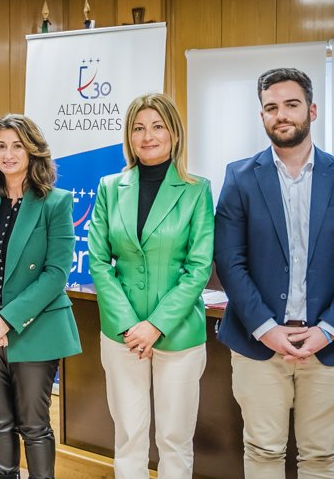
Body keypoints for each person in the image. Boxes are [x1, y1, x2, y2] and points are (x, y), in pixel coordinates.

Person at [214, 67, 334, 479]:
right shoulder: (239, 176)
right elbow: (229, 262)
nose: (281, 114)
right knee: (263, 450)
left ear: (312, 110)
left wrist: (327, 329)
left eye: (291, 104)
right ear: (262, 116)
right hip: (259, 344)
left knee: (322, 456)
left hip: (329, 345)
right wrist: (266, 327)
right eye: (271, 107)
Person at [87, 93, 214, 479]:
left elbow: (198, 268)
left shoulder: (197, 190)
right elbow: (98, 262)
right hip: (122, 334)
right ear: (129, 137)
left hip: (177, 335)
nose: (148, 136)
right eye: (139, 128)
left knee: (175, 441)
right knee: (129, 437)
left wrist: (155, 324)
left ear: (173, 133)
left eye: (157, 126)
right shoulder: (110, 187)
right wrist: (130, 325)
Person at [0, 114, 82, 479]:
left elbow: (56, 274)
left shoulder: (56, 203)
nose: (8, 154)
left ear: (32, 151)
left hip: (35, 330)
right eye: (1, 147)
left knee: (34, 425)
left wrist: (5, 320)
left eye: (17, 146)